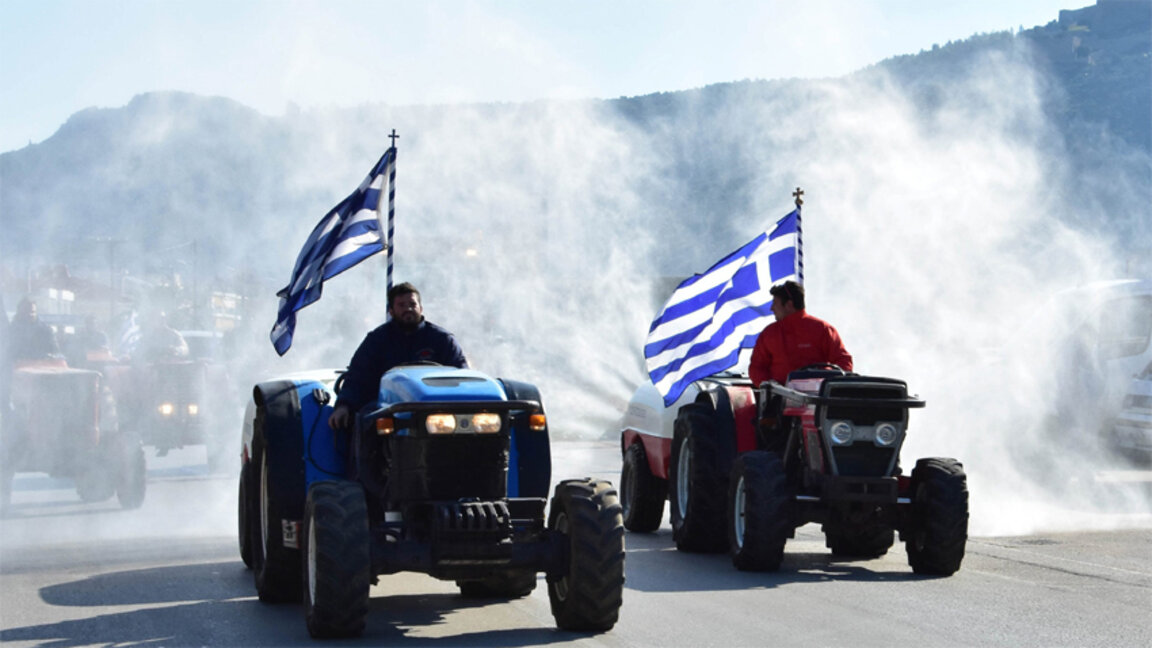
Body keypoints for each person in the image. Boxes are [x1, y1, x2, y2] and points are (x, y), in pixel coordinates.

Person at [329, 283, 468, 430]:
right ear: (391, 311)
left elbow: (462, 375)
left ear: (421, 308)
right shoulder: (376, 340)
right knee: (367, 423)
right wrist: (344, 406)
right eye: (401, 305)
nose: (408, 309)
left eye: (412, 304)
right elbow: (358, 376)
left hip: (436, 410)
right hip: (386, 407)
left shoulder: (442, 340)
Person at [748, 280, 853, 387]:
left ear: (789, 304)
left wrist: (828, 385)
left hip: (813, 399)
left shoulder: (769, 334)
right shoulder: (823, 329)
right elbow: (757, 368)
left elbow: (843, 361)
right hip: (788, 399)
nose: (771, 308)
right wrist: (771, 387)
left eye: (775, 303)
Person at [6, 297, 60, 365]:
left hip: (41, 369)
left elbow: (56, 352)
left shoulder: (46, 331)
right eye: (25, 311)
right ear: (19, 312)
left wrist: (47, 356)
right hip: (15, 370)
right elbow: (6, 355)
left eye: (32, 312)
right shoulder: (9, 331)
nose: (29, 314)